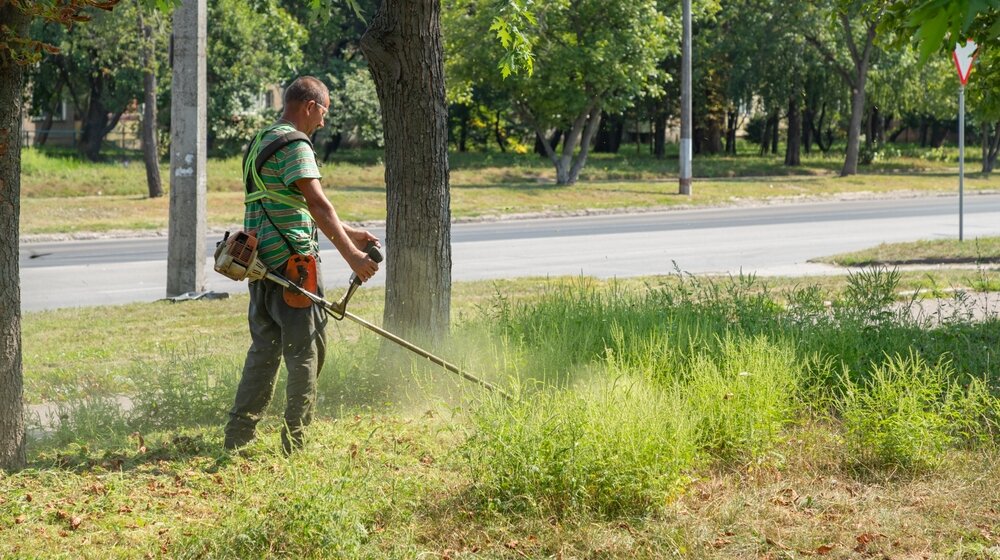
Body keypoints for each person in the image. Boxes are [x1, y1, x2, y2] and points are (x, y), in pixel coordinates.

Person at [224, 76, 380, 454]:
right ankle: (296, 443)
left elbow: (284, 200)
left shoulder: (261, 140)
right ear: (310, 106)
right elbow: (317, 204)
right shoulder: (297, 144)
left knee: (264, 353)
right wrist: (354, 258)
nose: (323, 123)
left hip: (258, 267)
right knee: (307, 353)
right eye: (323, 113)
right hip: (294, 269)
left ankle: (237, 437)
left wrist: (351, 231)